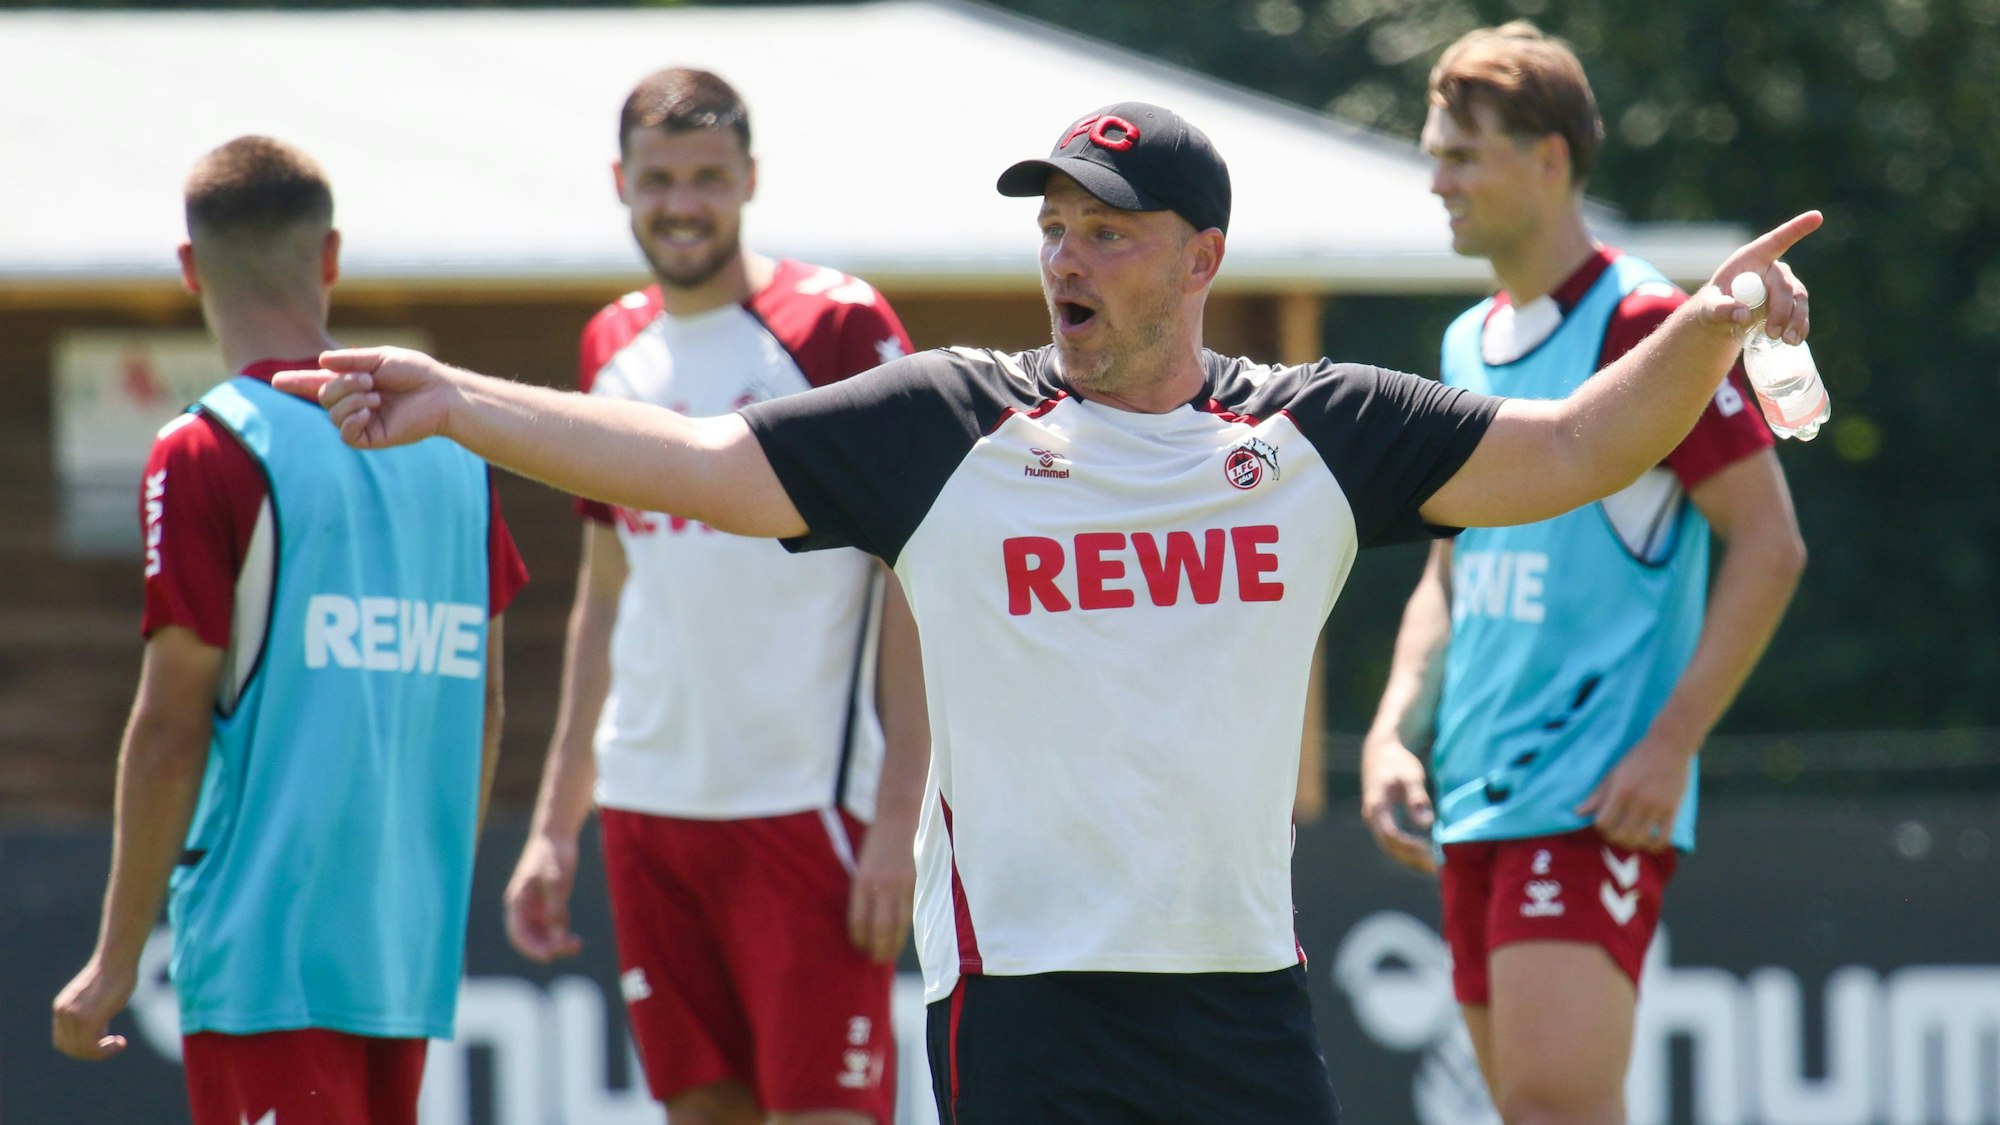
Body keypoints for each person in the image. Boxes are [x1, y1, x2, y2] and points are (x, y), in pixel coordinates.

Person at [278, 101, 1817, 1124]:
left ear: (1201, 258)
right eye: (1053, 227)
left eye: (1109, 229)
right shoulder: (950, 425)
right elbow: (691, 457)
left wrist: (1713, 321)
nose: (1064, 257)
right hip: (1024, 1004)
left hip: (1240, 994)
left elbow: (1574, 449)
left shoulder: (1321, 433)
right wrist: (459, 400)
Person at [1357, 23, 1809, 1125]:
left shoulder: (1646, 322)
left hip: (1590, 799)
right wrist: (1388, 731)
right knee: (1525, 1111)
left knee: (1558, 1105)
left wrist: (1667, 749)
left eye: (1461, 155)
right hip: (1474, 800)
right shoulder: (1468, 342)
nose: (1436, 179)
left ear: (1547, 158)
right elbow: (1450, 570)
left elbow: (1767, 545)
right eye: (1434, 153)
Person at [49, 136, 528, 1125]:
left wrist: (113, 958)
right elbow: (483, 698)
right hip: (404, 947)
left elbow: (172, 727)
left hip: (267, 952)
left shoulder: (207, 445)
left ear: (189, 268)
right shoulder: (451, 448)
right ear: (332, 256)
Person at [497, 68, 927, 1125]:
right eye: (657, 180)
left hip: (807, 809)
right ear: (620, 182)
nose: (680, 204)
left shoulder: (836, 327)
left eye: (705, 178)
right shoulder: (611, 346)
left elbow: (919, 571)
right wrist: (558, 822)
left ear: (748, 180)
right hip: (647, 810)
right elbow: (605, 595)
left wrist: (902, 814)